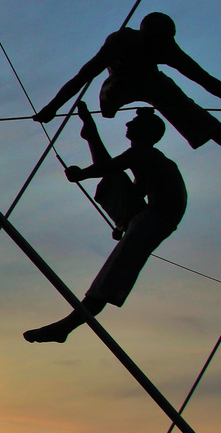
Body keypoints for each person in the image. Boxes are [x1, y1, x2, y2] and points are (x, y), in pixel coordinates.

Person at [33, 12, 221, 185]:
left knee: (189, 109)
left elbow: (204, 79)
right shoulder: (121, 41)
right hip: (119, 84)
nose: (159, 47)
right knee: (120, 95)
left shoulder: (167, 48)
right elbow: (84, 75)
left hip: (150, 82)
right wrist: (52, 107)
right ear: (146, 35)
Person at [24, 105, 187, 344]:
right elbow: (130, 185)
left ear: (143, 132)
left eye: (133, 123)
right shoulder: (147, 159)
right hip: (148, 215)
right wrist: (124, 225)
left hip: (157, 218)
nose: (127, 124)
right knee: (114, 181)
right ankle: (90, 133)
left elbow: (108, 167)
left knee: (115, 270)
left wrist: (82, 174)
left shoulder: (144, 154)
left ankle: (67, 326)